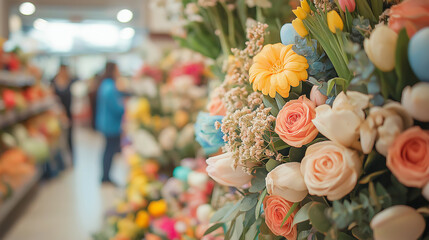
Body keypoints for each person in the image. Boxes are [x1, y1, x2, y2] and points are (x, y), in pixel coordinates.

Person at [96, 62, 124, 184]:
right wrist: (125, 108)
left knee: (108, 149)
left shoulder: (105, 84)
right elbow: (115, 107)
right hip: (111, 124)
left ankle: (105, 175)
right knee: (109, 150)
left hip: (106, 123)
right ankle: (106, 176)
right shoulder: (110, 86)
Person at [52, 64, 75, 164]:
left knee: (69, 137)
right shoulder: (54, 81)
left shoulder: (70, 81)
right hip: (57, 114)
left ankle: (72, 159)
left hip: (68, 113)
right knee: (58, 139)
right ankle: (61, 162)